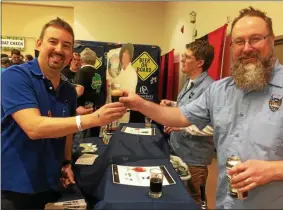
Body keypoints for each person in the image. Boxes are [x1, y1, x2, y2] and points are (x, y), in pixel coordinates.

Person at [120, 7, 283, 209]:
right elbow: (179, 116)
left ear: (271, 39)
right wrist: (139, 103)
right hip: (226, 203)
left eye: (255, 38)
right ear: (232, 46)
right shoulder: (220, 90)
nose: (247, 48)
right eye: (239, 41)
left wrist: (275, 170)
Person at [1, 17, 126, 210]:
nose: (59, 49)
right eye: (53, 41)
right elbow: (33, 127)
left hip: (51, 183)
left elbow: (67, 131)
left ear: (71, 53)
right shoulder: (15, 77)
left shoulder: (68, 89)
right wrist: (93, 119)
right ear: (39, 44)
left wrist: (66, 162)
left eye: (66, 45)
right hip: (15, 188)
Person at [160, 40, 215, 205]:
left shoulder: (210, 88)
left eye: (187, 57)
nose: (182, 60)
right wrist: (173, 104)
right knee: (180, 197)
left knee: (194, 199)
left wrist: (181, 126)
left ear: (200, 62)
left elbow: (213, 127)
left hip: (194, 158)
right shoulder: (190, 81)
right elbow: (192, 110)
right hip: (179, 150)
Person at [106, 43, 138, 125]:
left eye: (128, 53)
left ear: (131, 56)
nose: (125, 55)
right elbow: (110, 82)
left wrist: (118, 88)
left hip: (124, 108)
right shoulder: (115, 69)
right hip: (111, 106)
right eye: (124, 52)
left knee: (120, 129)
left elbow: (130, 92)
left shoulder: (132, 72)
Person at [74, 48, 102, 137]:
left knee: (80, 144)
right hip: (95, 110)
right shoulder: (98, 73)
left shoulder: (82, 71)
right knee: (93, 141)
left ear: (82, 60)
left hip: (83, 112)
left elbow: (79, 90)